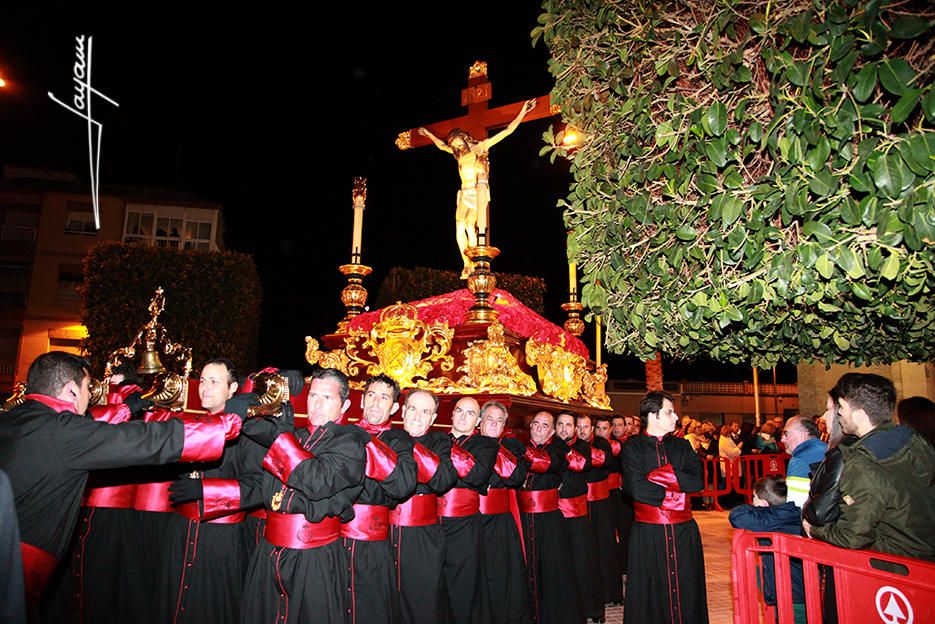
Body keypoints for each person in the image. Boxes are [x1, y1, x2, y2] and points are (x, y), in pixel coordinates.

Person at [0, 351, 241, 607]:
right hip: (13, 576)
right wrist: (226, 424)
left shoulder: (13, 419)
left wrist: (127, 408)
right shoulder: (65, 434)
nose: (90, 397)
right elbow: (147, 440)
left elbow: (89, 424)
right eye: (87, 389)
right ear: (71, 391)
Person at [238, 367, 370, 623]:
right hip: (269, 549)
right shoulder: (295, 436)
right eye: (313, 396)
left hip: (314, 555)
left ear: (345, 405)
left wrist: (281, 439)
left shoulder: (351, 443)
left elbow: (317, 481)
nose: (317, 404)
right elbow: (264, 484)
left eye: (327, 398)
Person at [804, 373, 935, 561]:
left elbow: (852, 536)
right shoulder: (914, 440)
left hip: (895, 567)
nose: (839, 414)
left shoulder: (862, 464)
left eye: (842, 408)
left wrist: (816, 530)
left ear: (859, 415)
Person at [419, 99, 536, 278]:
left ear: (465, 139)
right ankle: (466, 263)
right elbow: (442, 146)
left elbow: (507, 131)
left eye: (459, 143)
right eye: (455, 146)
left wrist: (523, 112)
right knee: (459, 227)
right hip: (463, 192)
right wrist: (429, 135)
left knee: (468, 225)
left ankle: (474, 262)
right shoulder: (458, 155)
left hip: (476, 193)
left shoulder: (480, 147)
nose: (457, 148)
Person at [623, 391, 708, 624]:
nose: (676, 417)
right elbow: (636, 488)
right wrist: (676, 492)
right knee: (650, 589)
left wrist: (659, 474)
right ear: (653, 415)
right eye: (669, 412)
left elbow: (697, 481)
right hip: (648, 532)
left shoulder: (682, 446)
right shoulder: (633, 448)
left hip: (684, 531)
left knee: (687, 584)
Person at [343, 374, 417, 624]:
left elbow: (403, 485)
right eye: (371, 395)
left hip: (373, 543)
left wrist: (368, 443)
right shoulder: (343, 434)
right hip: (333, 540)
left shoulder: (400, 441)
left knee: (372, 608)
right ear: (361, 401)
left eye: (384, 397)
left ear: (394, 407)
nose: (375, 403)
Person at [391, 389, 457, 624]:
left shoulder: (440, 441)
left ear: (433, 418)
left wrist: (403, 444)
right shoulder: (388, 435)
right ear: (403, 411)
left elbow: (443, 479)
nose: (418, 417)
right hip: (385, 535)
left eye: (425, 412)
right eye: (413, 409)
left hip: (423, 537)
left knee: (424, 602)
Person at [439, 396, 499, 624]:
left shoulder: (485, 444)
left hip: (465, 524)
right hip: (432, 524)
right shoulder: (440, 439)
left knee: (464, 586)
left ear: (477, 420)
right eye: (459, 411)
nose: (463, 417)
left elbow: (477, 474)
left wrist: (442, 450)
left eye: (470, 413)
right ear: (452, 414)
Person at [520, 411, 581, 624]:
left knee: (554, 573)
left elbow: (545, 464)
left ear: (552, 431)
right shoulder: (521, 446)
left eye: (544, 425)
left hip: (549, 521)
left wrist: (516, 451)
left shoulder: (558, 449)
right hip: (523, 521)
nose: (538, 428)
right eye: (535, 423)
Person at [477, 401, 531, 624]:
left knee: (502, 576)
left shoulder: (512, 447)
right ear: (480, 421)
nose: (494, 424)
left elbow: (516, 476)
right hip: (470, 521)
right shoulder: (465, 444)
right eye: (489, 419)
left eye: (499, 421)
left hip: (500, 521)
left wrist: (492, 450)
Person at [729, 476, 806, 624]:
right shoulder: (795, 512)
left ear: (764, 504)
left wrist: (759, 510)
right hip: (801, 587)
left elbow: (737, 515)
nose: (751, 502)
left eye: (754, 498)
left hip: (790, 593)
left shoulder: (769, 521)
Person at [555, 412, 602, 624]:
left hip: (576, 515)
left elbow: (580, 464)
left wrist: (558, 449)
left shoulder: (581, 447)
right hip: (553, 516)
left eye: (568, 425)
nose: (564, 429)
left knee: (582, 563)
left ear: (574, 428)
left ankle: (590, 609)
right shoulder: (549, 446)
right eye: (560, 424)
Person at [576, 413, 622, 606]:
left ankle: (611, 593)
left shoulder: (602, 444)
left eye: (586, 427)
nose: (582, 431)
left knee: (605, 548)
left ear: (592, 428)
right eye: (578, 427)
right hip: (579, 505)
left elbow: (606, 462)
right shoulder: (573, 446)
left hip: (601, 503)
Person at [780, 416, 826, 508]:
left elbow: (795, 506)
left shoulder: (800, 460)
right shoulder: (828, 449)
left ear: (802, 434)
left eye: (786, 433)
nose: (782, 439)